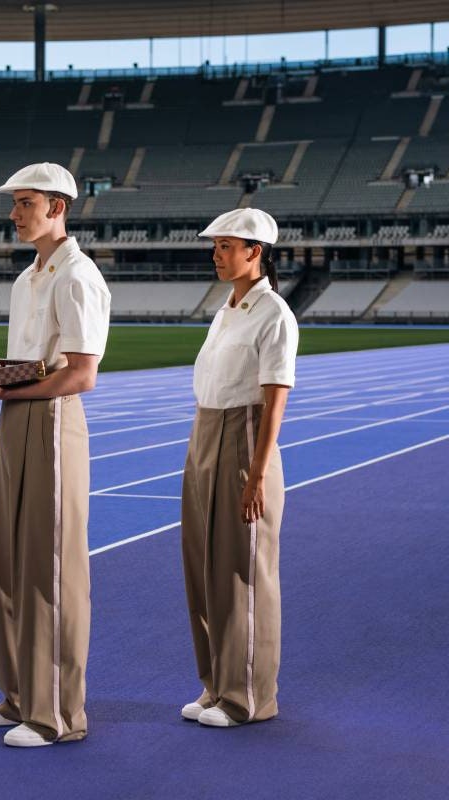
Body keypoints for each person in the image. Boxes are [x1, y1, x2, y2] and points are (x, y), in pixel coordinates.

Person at [0, 162, 110, 747]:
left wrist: (4, 388)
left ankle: (58, 715)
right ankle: (19, 694)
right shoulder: (27, 279)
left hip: (51, 421)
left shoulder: (78, 276)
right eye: (15, 204)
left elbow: (81, 375)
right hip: (14, 418)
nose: (15, 214)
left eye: (25, 203)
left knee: (51, 568)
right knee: (12, 563)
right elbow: (28, 362)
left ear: (58, 207)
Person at [179, 207, 298, 727]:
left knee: (242, 572)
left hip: (243, 436)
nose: (217, 254)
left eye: (226, 246)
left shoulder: (274, 314)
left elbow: (274, 401)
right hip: (205, 431)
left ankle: (249, 696)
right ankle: (216, 683)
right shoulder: (227, 309)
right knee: (204, 569)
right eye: (216, 246)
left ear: (255, 252)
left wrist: (256, 474)